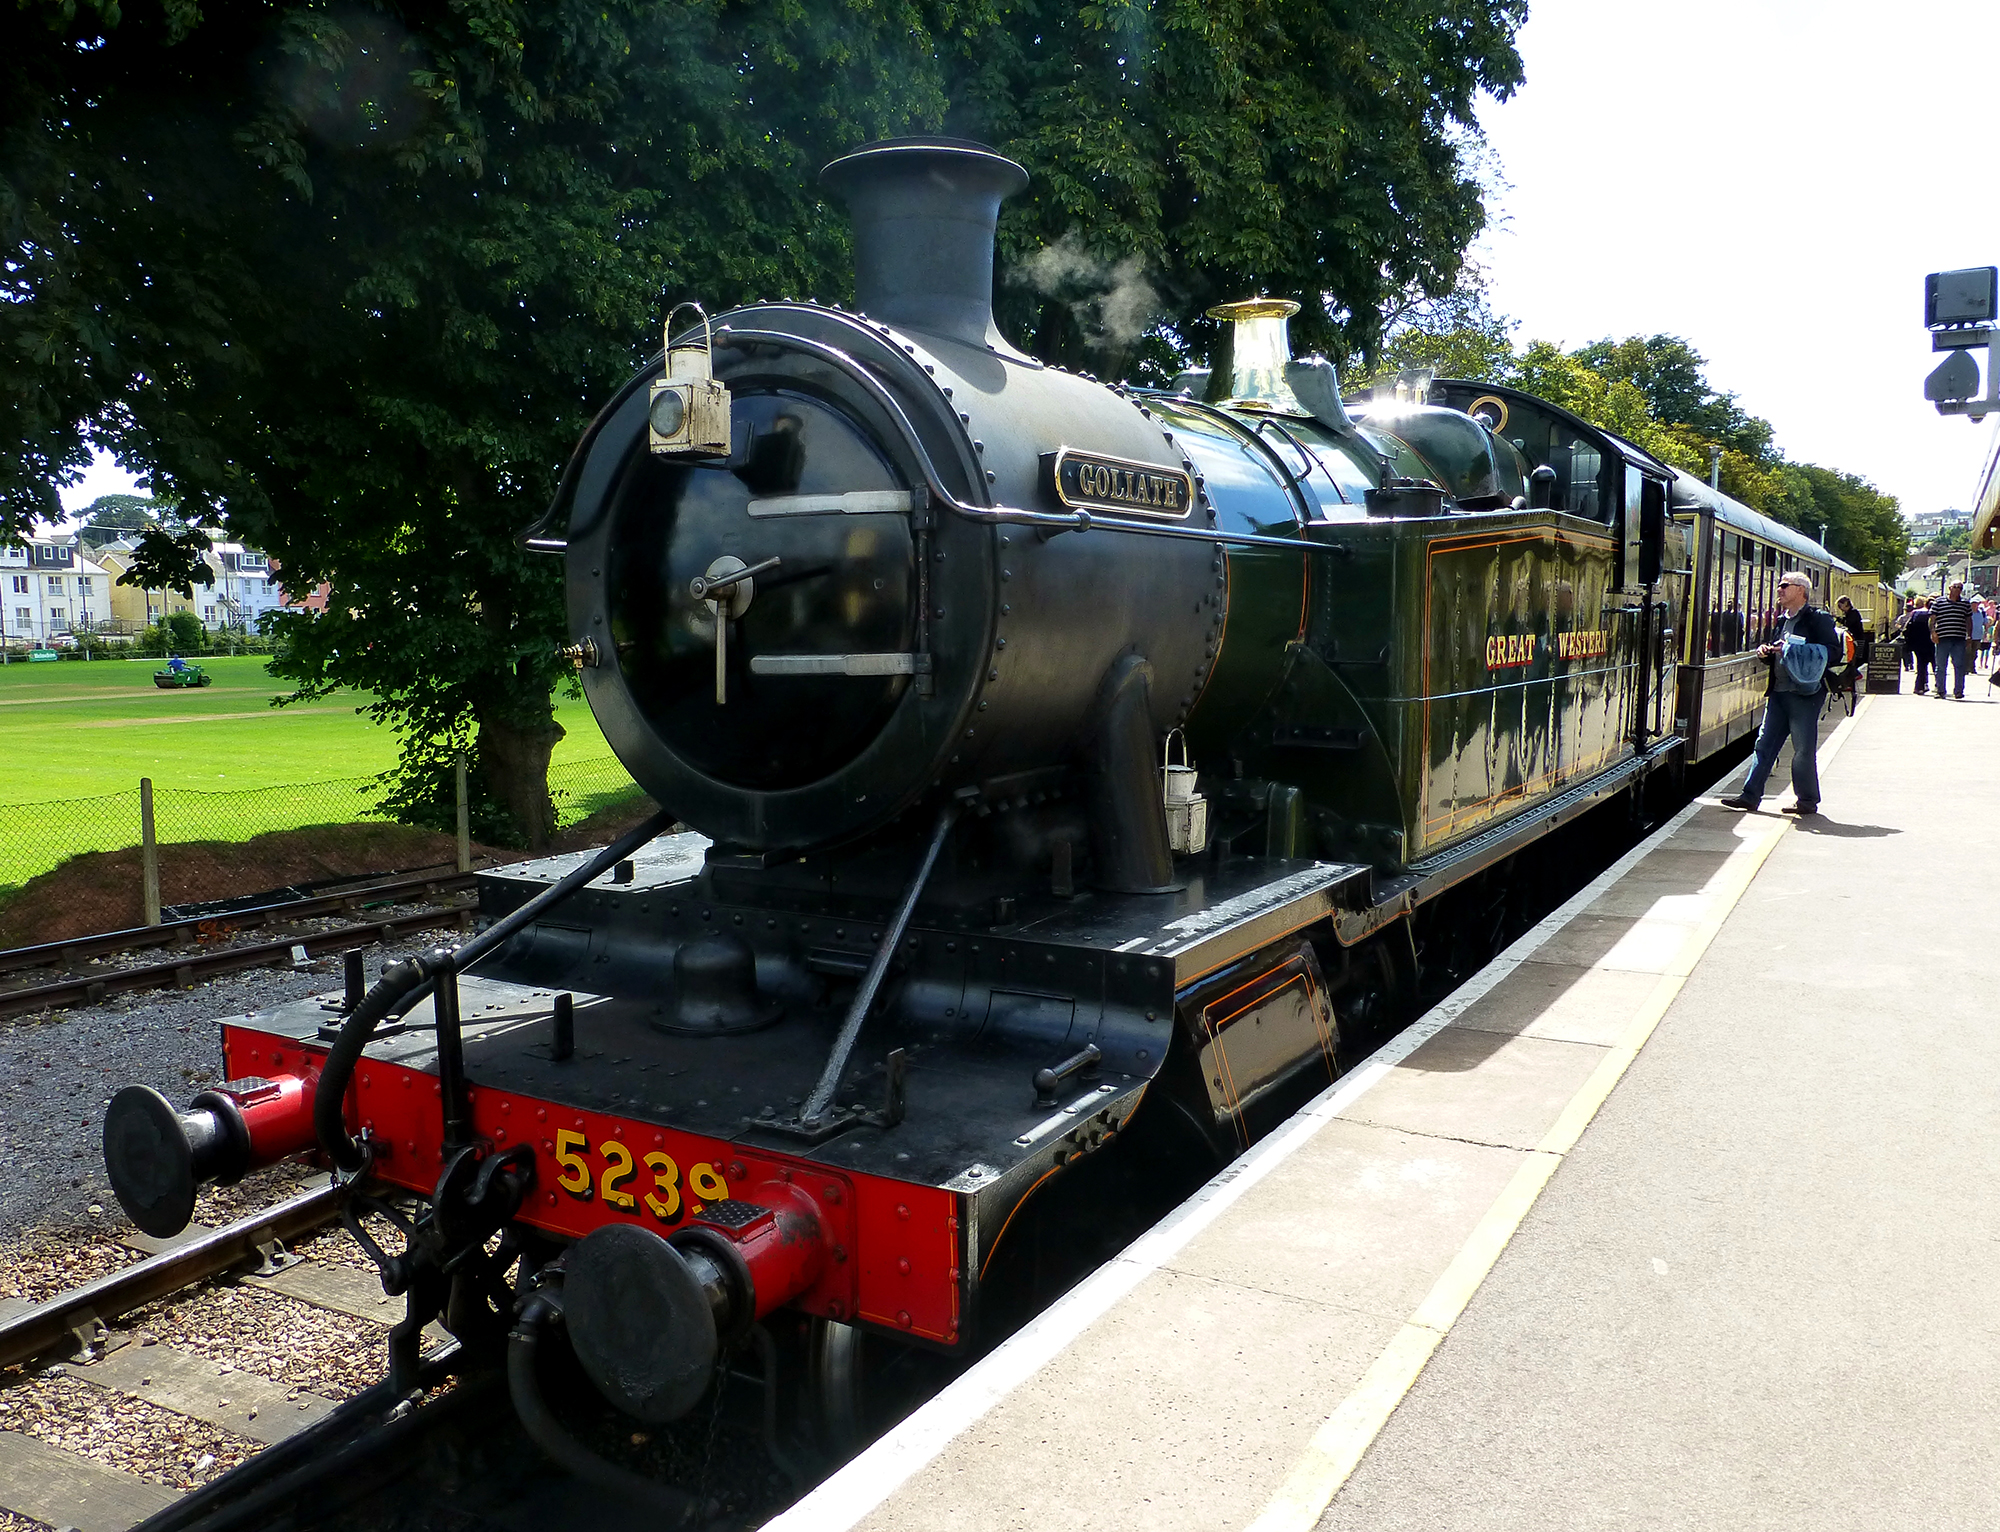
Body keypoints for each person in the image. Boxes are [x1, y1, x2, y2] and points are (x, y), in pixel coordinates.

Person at [1721, 570, 1843, 817]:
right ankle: (1749, 796)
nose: (1779, 589)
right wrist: (1768, 653)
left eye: (1784, 586)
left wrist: (1794, 651)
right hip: (1778, 691)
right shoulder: (1781, 620)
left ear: (1801, 590)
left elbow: (1833, 652)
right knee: (1764, 744)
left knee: (1802, 749)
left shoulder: (1817, 619)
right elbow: (1780, 653)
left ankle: (1807, 800)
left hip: (1804, 694)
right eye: (1779, 586)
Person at [1929, 581, 1973, 699]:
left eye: (1960, 588)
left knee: (1959, 665)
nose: (1957, 589)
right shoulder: (1939, 602)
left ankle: (1958, 691)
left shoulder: (1965, 603)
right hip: (1942, 638)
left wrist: (1969, 636)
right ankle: (1940, 690)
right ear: (1949, 588)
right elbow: (1932, 618)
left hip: (1959, 638)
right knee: (1941, 665)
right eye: (1955, 587)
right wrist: (1933, 632)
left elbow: (1968, 620)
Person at [1902, 598, 1934, 693]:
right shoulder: (1935, 615)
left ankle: (1919, 687)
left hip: (1918, 644)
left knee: (1921, 666)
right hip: (1933, 643)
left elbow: (1908, 628)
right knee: (1937, 667)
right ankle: (1939, 686)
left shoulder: (1915, 613)